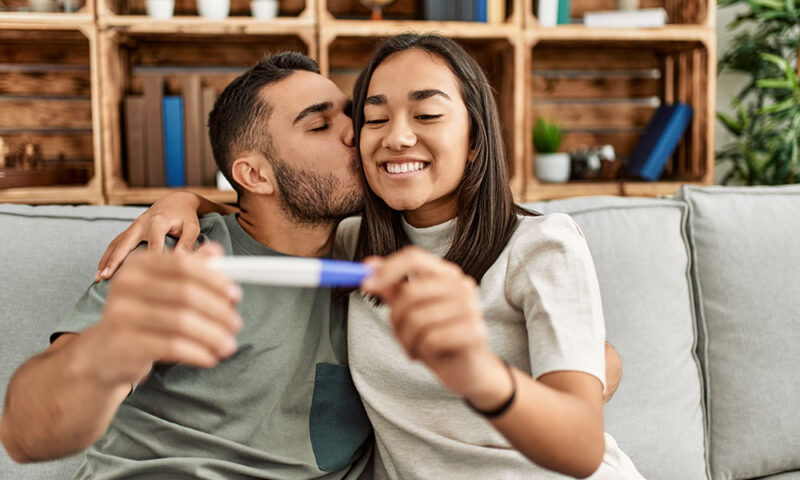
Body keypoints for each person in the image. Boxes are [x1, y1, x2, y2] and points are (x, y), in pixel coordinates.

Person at [84, 35, 638, 479]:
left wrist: (489, 373)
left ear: (475, 140)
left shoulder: (542, 244)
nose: (393, 137)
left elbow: (580, 442)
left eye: (427, 116)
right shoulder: (356, 249)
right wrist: (183, 200)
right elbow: (274, 217)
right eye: (374, 118)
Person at [0, 52, 373, 479]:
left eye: (351, 114)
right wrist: (113, 351)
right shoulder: (175, 253)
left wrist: (189, 197)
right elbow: (27, 430)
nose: (354, 133)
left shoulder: (379, 261)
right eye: (320, 126)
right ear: (254, 176)